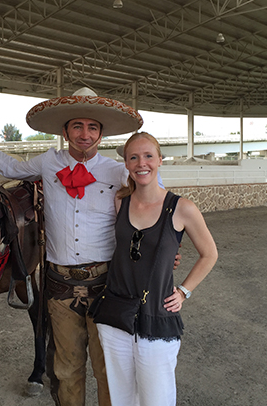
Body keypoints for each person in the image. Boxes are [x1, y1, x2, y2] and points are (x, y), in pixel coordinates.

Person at [0, 87, 176, 406]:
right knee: (67, 369)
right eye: (77, 126)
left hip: (107, 286)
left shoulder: (118, 170)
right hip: (60, 286)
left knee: (108, 369)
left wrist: (164, 248)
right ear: (65, 131)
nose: (85, 134)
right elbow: (11, 168)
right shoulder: (48, 163)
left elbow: (157, 199)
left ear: (101, 132)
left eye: (92, 127)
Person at [93, 132, 218, 406]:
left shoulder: (181, 208)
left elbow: (209, 254)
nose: (142, 163)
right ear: (126, 163)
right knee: (121, 397)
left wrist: (184, 291)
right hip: (116, 313)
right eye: (134, 157)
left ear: (160, 160)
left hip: (155, 315)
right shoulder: (120, 202)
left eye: (148, 156)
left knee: (156, 398)